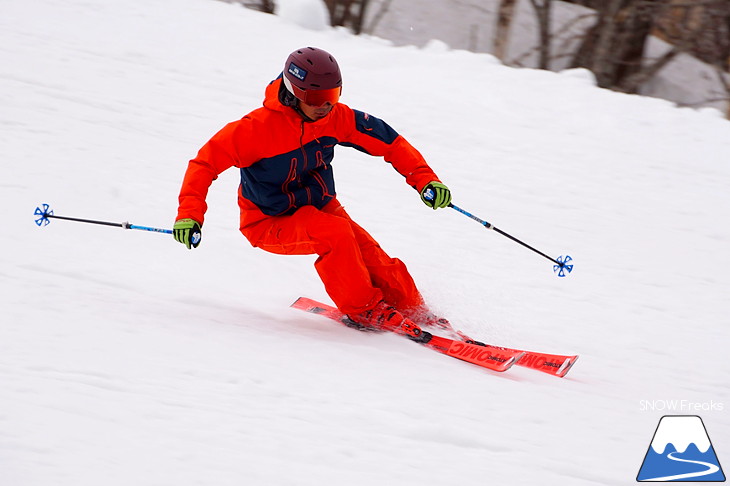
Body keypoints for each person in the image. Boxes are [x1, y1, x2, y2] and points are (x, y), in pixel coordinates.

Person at [173, 47, 452, 342]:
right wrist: (189, 216)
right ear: (293, 93)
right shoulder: (253, 130)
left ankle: (413, 308)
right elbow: (203, 165)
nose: (325, 107)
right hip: (269, 221)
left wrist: (425, 180)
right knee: (335, 234)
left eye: (333, 96)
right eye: (316, 99)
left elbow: (389, 142)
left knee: (370, 253)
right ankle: (363, 309)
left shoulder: (334, 118)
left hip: (320, 206)